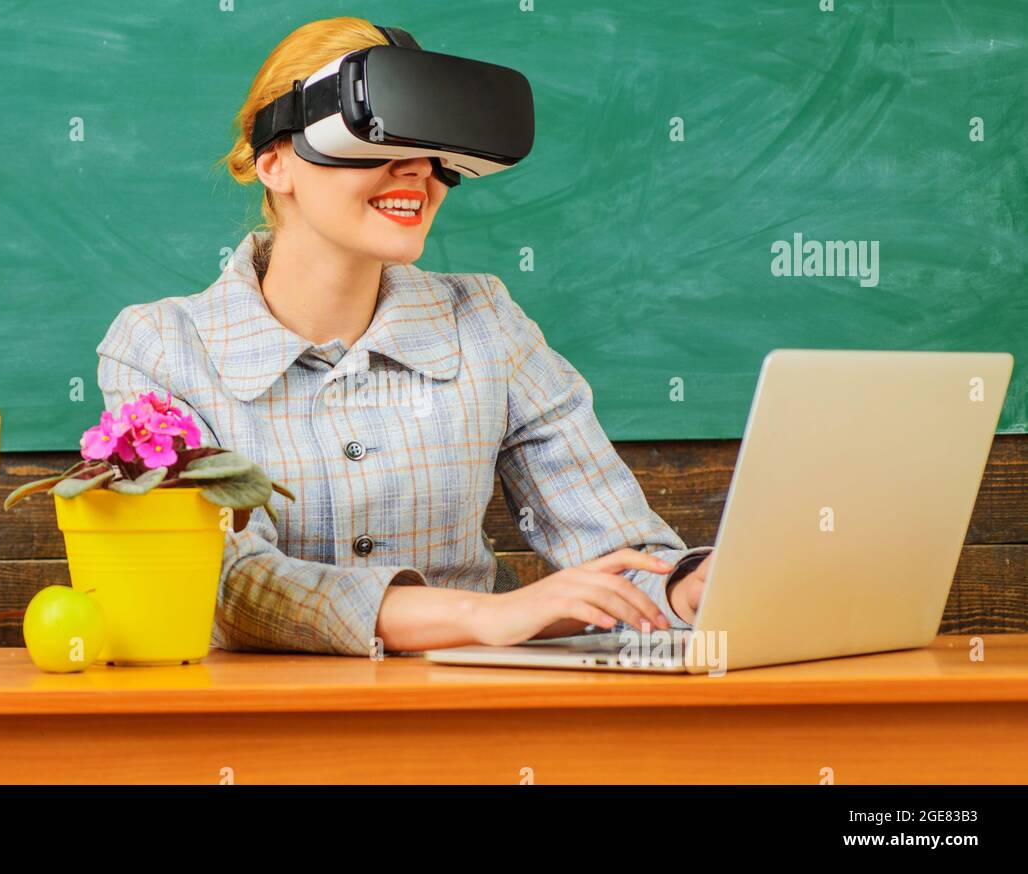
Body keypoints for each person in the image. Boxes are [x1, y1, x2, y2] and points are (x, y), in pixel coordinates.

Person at [97, 16, 713, 656]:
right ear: (275, 162)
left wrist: (686, 587)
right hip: (256, 727)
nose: (418, 169)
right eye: (378, 139)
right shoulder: (160, 347)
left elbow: (613, 542)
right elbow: (225, 581)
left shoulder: (485, 321)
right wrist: (482, 615)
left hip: (470, 715)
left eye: (433, 147)